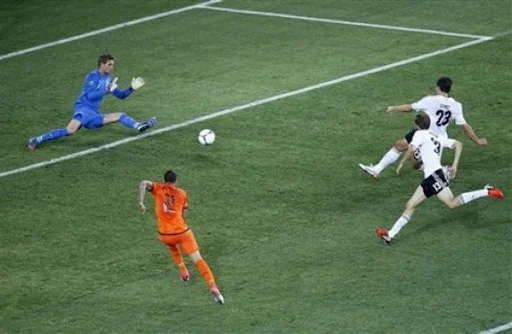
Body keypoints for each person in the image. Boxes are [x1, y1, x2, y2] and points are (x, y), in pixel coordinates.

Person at [376, 113, 504, 243]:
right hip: (431, 177)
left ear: (417, 125)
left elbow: (411, 148)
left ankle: (487, 191)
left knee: (451, 203)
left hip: (435, 176)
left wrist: (402, 163)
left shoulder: (419, 134)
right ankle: (390, 235)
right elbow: (459, 144)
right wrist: (454, 165)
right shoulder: (437, 136)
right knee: (410, 204)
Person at [359, 77, 487, 178]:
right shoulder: (456, 105)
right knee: (400, 145)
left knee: (417, 164)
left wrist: (393, 108)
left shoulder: (431, 100)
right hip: (429, 134)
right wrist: (477, 140)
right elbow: (465, 127)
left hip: (431, 139)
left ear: (438, 88)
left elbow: (409, 108)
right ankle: (376, 170)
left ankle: (444, 172)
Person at [26, 54, 156, 150]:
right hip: (83, 108)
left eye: (113, 65)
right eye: (109, 64)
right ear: (102, 64)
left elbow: (121, 95)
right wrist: (106, 90)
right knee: (70, 130)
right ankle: (36, 140)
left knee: (120, 115)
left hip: (93, 113)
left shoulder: (109, 79)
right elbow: (91, 95)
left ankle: (139, 126)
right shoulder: (92, 76)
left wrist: (131, 88)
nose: (112, 67)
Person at [138, 170, 225, 305]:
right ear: (176, 181)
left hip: (165, 235)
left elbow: (143, 183)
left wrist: (141, 203)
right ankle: (213, 286)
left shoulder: (158, 189)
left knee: (172, 245)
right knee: (198, 260)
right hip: (182, 232)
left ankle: (182, 269)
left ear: (164, 180)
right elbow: (184, 213)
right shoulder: (182, 193)